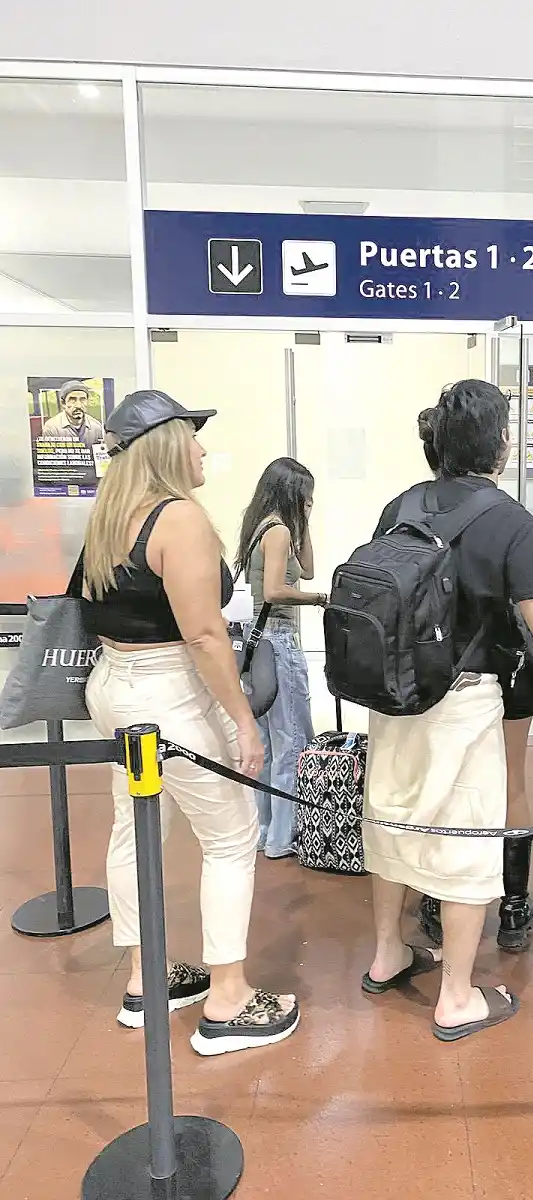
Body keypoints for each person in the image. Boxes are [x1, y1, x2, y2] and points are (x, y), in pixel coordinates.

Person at [360, 380, 533, 1041]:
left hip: (395, 695)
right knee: (469, 840)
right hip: (463, 701)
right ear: (501, 443)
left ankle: (388, 953)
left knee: (393, 817)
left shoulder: (402, 504)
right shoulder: (510, 521)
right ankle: (456, 997)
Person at [83, 388, 300, 1055]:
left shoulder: (110, 515)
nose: (203, 449)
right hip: (169, 692)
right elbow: (204, 635)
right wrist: (244, 721)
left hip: (115, 686)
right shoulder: (179, 519)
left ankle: (143, 978)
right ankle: (228, 999)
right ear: (168, 447)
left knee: (135, 829)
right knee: (231, 838)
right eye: (193, 436)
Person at [414, 407, 533, 954]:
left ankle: (434, 899)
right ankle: (513, 904)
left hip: (432, 673)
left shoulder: (410, 511)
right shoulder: (507, 518)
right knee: (511, 782)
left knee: (436, 785)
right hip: (504, 667)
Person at [237, 458, 327, 859]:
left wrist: (303, 522)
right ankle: (283, 838)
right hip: (278, 640)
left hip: (257, 643)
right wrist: (320, 599)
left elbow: (307, 568)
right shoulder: (278, 531)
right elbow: (276, 590)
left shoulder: (264, 526)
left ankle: (266, 830)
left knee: (270, 744)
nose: (309, 503)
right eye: (306, 497)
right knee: (292, 739)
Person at [41, 380, 105, 447]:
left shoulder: (97, 427)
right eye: (72, 400)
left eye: (83, 399)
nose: (78, 405)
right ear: (63, 403)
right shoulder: (52, 428)